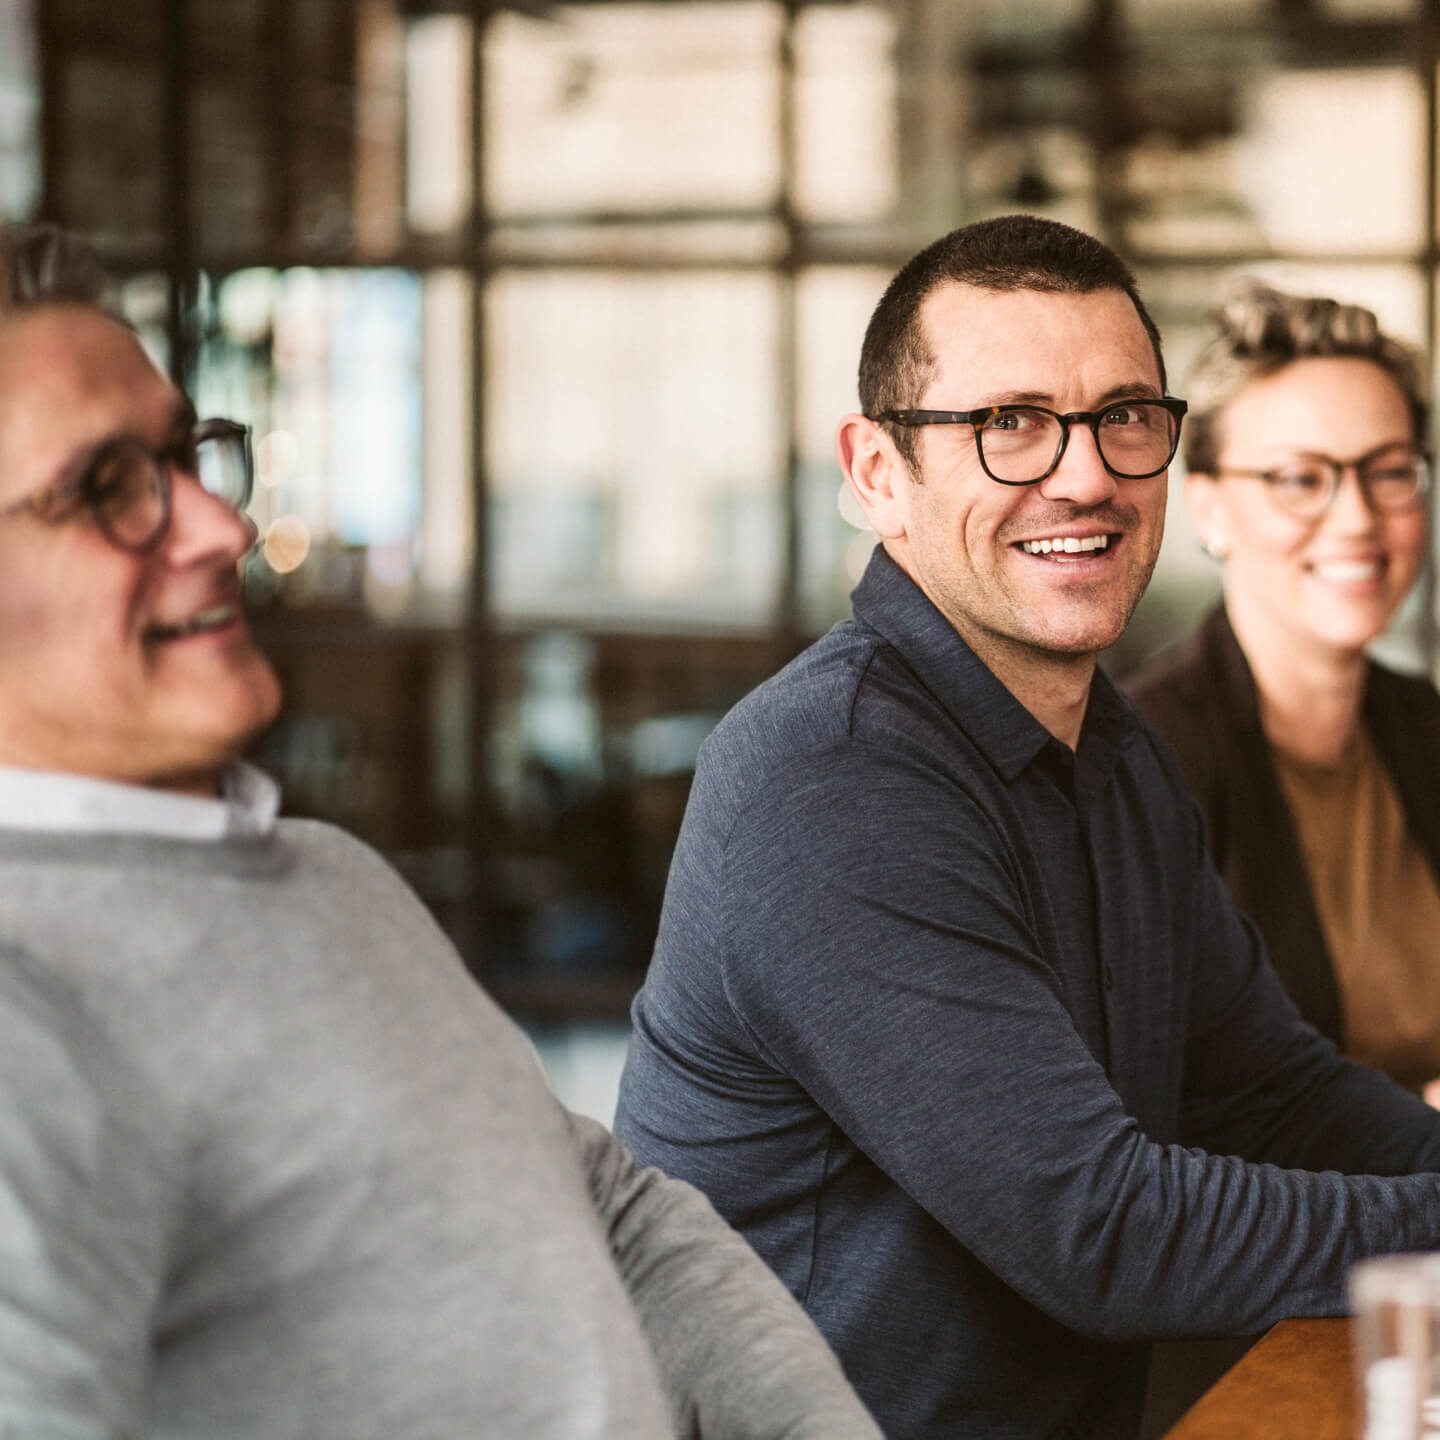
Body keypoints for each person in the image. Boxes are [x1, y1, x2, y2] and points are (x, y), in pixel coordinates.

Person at [0, 221, 882, 1440]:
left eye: (187, 456)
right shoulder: (23, 1009)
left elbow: (612, 1210)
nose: (220, 529)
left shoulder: (325, 874)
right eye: (107, 488)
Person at [613, 215, 1440, 1440]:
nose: (1085, 474)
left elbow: (1276, 1096)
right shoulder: (829, 776)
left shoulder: (1113, 751)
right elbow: (1101, 1230)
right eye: (1009, 423)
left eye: (1123, 416)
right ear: (876, 472)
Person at [1127, 282, 1440, 1096]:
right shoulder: (1144, 763)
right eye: (1302, 478)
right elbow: (1168, 1118)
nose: (1357, 521)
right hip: (1330, 1220)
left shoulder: (1425, 727)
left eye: (1390, 471)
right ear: (1210, 508)